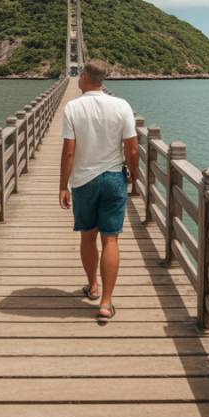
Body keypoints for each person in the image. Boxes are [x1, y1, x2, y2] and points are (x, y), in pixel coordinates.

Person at [58, 58, 138, 323]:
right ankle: (106, 302)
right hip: (114, 179)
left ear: (83, 77)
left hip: (83, 182)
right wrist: (135, 178)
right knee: (111, 239)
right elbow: (132, 148)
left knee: (88, 236)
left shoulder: (72, 108)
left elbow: (69, 152)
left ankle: (92, 285)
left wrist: (63, 186)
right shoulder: (122, 106)